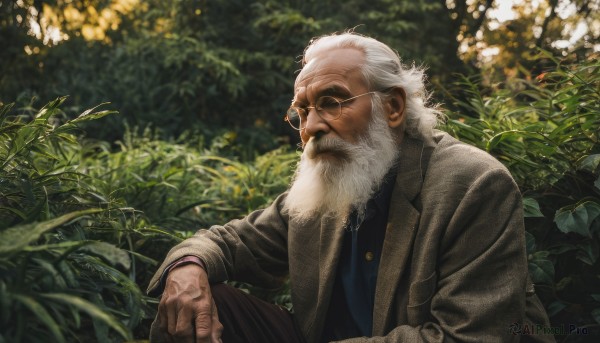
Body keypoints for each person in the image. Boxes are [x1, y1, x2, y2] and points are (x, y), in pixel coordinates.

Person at [147, 31, 553, 343]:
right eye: (302, 110)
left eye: (331, 102)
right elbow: (230, 241)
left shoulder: (474, 185)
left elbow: (467, 337)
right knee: (192, 305)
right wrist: (187, 268)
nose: (312, 127)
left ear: (392, 107)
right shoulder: (329, 185)